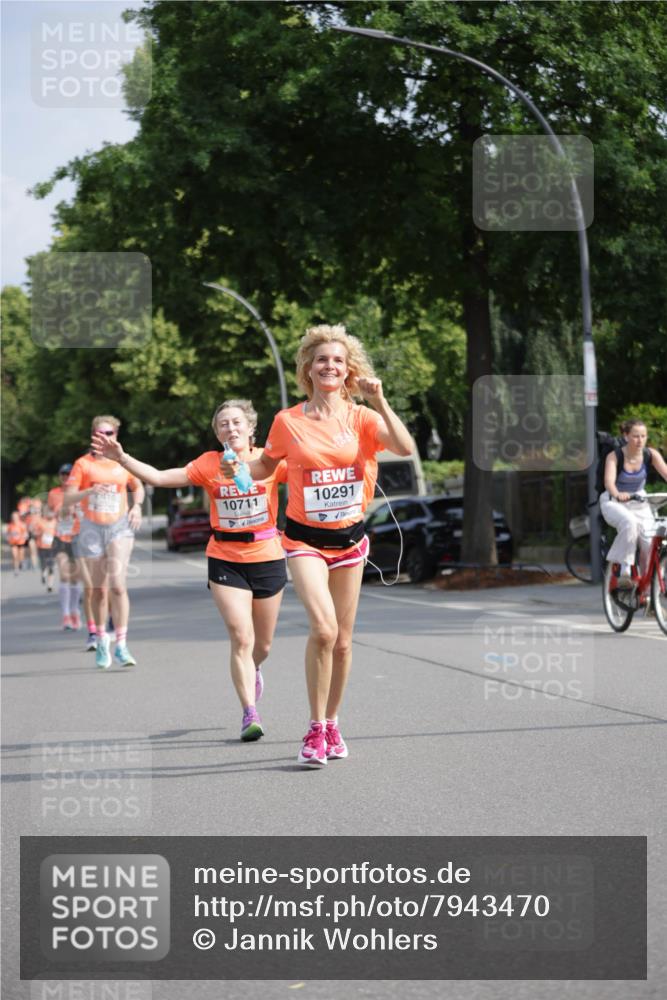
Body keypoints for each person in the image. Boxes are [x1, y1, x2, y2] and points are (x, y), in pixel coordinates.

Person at [225, 325, 413, 767]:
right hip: (304, 539)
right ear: (308, 368)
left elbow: (404, 448)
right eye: (322, 359)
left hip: (350, 539)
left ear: (349, 371)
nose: (330, 366)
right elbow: (266, 464)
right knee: (324, 630)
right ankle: (313, 730)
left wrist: (379, 401)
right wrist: (237, 466)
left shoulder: (363, 418)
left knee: (344, 642)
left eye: (339, 361)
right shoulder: (287, 421)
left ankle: (332, 723)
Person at [93, 400, 287, 741]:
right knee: (241, 636)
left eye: (237, 422)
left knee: (263, 645)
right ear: (217, 432)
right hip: (225, 557)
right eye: (223, 424)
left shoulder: (268, 461)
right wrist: (121, 458)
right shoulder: (209, 464)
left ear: (251, 428)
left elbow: (307, 470)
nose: (231, 428)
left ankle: (255, 667)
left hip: (267, 555)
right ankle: (249, 712)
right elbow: (158, 476)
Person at [64, 416, 145, 668]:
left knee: (118, 586)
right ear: (93, 435)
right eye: (100, 433)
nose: (105, 437)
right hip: (91, 529)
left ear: (116, 434)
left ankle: (120, 644)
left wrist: (137, 506)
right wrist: (89, 491)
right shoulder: (83, 464)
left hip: (119, 528)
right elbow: (67, 498)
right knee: (99, 590)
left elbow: (138, 485)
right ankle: (101, 638)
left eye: (109, 432)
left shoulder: (122, 461)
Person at [600, 418, 667, 587]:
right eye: (636, 436)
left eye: (643, 436)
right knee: (629, 524)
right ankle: (624, 571)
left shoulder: (650, 454)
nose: (640, 440)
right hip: (613, 501)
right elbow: (609, 482)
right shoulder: (614, 456)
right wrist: (618, 494)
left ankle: (648, 589)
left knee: (650, 541)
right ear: (626, 435)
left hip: (639, 501)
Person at [48, 464, 84, 631]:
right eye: (63, 474)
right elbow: (50, 513)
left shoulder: (80, 491)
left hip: (77, 537)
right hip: (60, 537)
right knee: (64, 575)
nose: (66, 477)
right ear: (59, 476)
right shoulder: (54, 494)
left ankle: (75, 610)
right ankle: (66, 615)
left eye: (69, 474)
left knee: (75, 577)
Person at [34, 508, 57, 592]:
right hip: (41, 546)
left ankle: (50, 586)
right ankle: (43, 574)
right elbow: (34, 533)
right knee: (44, 565)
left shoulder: (55, 522)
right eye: (49, 513)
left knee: (51, 566)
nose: (51, 515)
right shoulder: (40, 521)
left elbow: (58, 532)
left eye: (52, 513)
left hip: (52, 547)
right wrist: (40, 533)